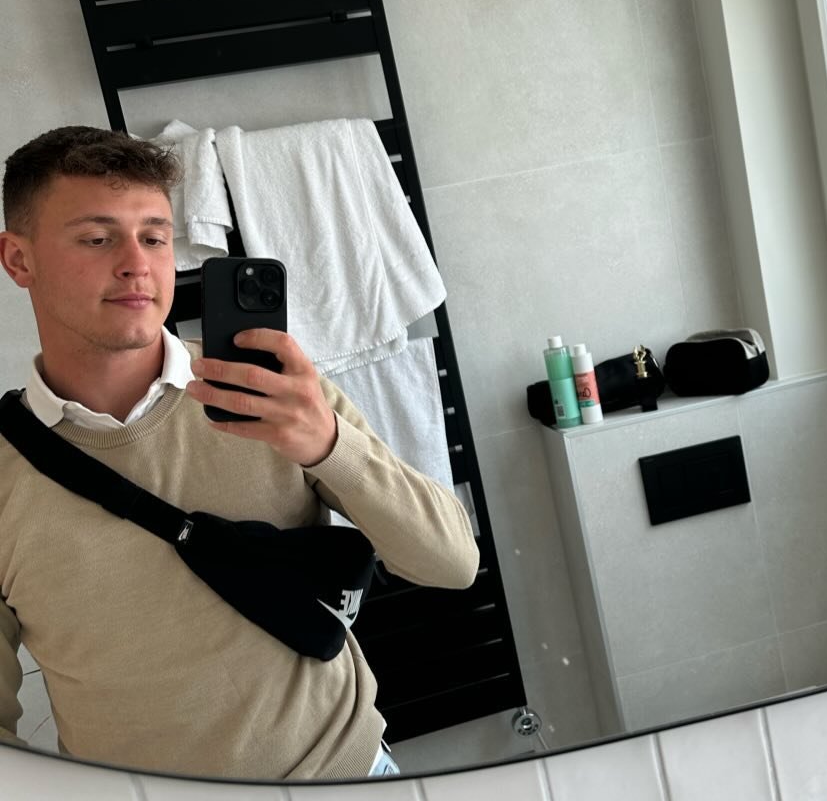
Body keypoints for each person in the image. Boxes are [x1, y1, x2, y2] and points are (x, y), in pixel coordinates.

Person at [0, 125, 479, 780]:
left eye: (154, 237)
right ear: (18, 260)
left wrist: (331, 446)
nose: (137, 264)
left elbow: (452, 564)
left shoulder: (277, 397)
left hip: (348, 774)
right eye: (97, 238)